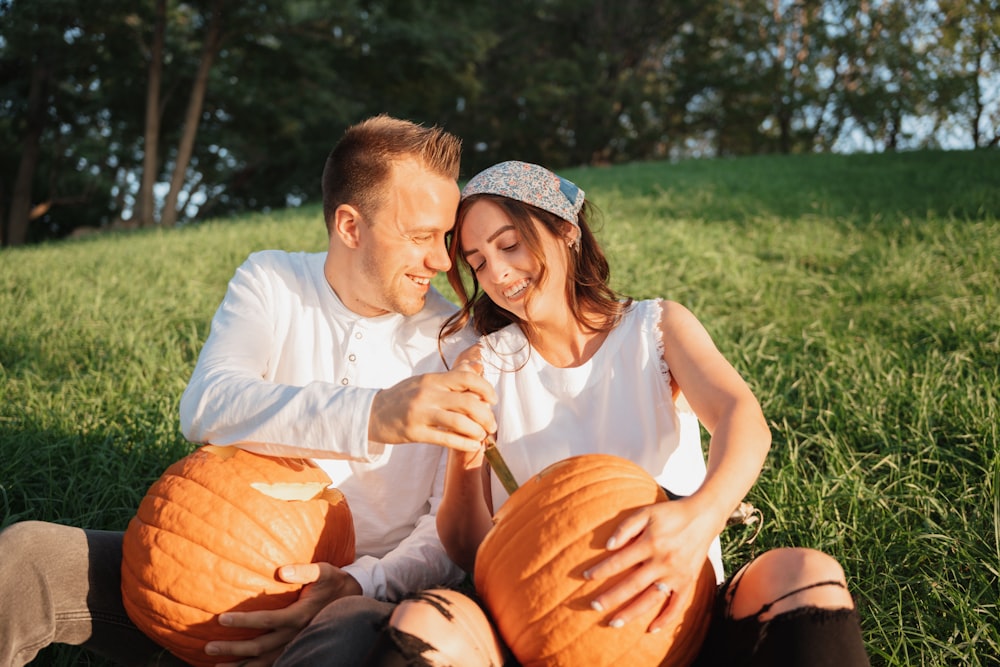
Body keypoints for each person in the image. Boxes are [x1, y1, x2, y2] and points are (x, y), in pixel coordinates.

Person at [0, 115, 498, 667]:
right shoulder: (273, 281)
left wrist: (362, 582)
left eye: (446, 237)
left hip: (352, 598)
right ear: (351, 227)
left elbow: (446, 529)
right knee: (27, 557)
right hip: (199, 569)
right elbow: (209, 402)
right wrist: (373, 413)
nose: (441, 259)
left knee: (342, 639)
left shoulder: (458, 340)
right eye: (420, 236)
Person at [363, 161, 871, 666]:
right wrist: (465, 446)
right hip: (540, 634)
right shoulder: (482, 365)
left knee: (804, 574)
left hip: (679, 618)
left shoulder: (655, 328)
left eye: (510, 244)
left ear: (565, 231)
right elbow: (472, 548)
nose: (496, 273)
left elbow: (742, 418)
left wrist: (702, 516)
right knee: (423, 624)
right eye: (477, 261)